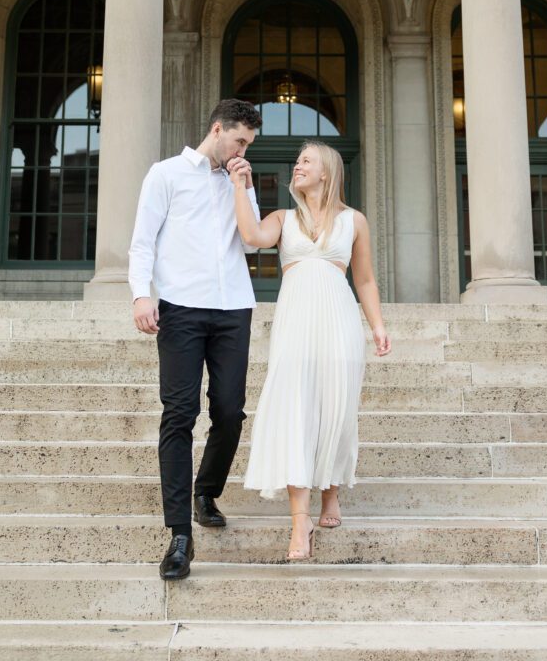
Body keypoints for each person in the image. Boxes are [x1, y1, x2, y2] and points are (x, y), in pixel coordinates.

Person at [230, 140, 391, 561]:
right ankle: (300, 523)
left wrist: (377, 327)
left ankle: (331, 492)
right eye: (298, 161)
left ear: (327, 172)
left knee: (336, 407)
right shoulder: (282, 219)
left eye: (306, 161)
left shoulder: (354, 221)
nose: (297, 167)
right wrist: (239, 185)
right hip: (296, 322)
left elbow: (366, 280)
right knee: (295, 410)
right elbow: (250, 236)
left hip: (339, 320)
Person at [129, 98, 262, 581]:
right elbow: (143, 240)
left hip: (233, 308)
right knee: (179, 413)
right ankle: (179, 533)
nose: (244, 149)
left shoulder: (239, 179)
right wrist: (142, 296)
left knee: (229, 410)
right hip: (181, 308)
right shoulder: (165, 174)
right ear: (218, 129)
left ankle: (207, 490)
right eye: (240, 141)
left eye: (249, 144)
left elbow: (251, 241)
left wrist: (241, 187)